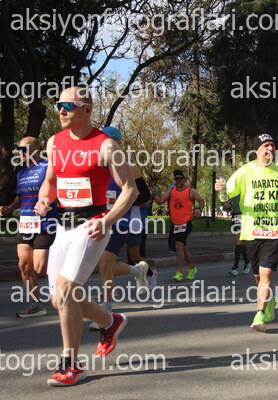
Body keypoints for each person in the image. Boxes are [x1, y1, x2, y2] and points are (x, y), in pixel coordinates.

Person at [34, 86, 136, 386]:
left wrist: (107, 220)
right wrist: (44, 199)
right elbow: (50, 181)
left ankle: (72, 365)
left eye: (68, 106)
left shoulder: (106, 145)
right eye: (58, 105)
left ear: (87, 109)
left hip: (92, 225)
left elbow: (130, 189)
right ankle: (109, 321)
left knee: (66, 289)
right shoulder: (54, 142)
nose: (61, 111)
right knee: (59, 298)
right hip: (63, 226)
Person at [216, 134, 278, 332]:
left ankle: (259, 313)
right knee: (258, 275)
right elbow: (226, 196)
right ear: (257, 149)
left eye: (272, 145)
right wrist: (220, 190)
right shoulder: (245, 171)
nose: (270, 149)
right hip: (252, 231)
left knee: (266, 273)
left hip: (275, 229)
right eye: (266, 145)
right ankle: (269, 300)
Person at [90, 127, 152, 330]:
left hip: (120, 221)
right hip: (97, 220)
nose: (104, 144)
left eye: (108, 140)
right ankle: (137, 270)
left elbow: (144, 196)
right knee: (103, 266)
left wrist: (122, 200)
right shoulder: (95, 166)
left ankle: (105, 311)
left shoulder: (128, 166)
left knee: (105, 262)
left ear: (118, 143)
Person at [1, 137, 57, 317]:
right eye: (18, 150)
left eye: (23, 149)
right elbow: (21, 196)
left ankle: (69, 283)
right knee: (24, 265)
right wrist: (10, 208)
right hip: (26, 222)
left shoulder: (47, 167)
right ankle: (36, 304)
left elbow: (56, 189)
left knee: (40, 268)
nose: (20, 153)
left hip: (46, 222)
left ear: (36, 150)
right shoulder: (22, 173)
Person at [152, 170, 205, 280]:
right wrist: (154, 193)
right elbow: (160, 201)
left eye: (180, 178)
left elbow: (201, 201)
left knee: (178, 246)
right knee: (183, 248)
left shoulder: (191, 191)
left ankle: (179, 273)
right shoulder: (171, 190)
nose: (178, 180)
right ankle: (191, 268)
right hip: (175, 223)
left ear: (184, 179)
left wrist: (198, 209)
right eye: (176, 179)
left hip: (186, 223)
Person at [222, 195, 251, 276]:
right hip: (236, 215)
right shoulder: (232, 188)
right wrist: (225, 203)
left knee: (238, 241)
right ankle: (247, 262)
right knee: (240, 242)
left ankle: (235, 267)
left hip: (246, 214)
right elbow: (223, 196)